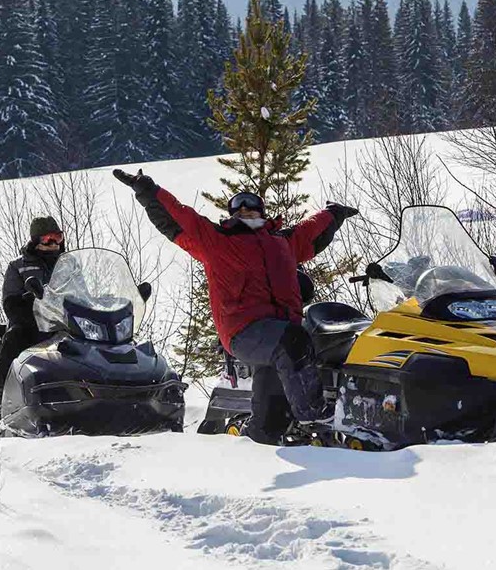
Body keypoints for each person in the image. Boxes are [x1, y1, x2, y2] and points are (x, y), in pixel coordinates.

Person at [113, 169, 358, 444]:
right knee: (294, 339)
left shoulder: (283, 242)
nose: (245, 209)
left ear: (261, 211)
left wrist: (334, 213)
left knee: (271, 423)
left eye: (251, 204)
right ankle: (315, 414)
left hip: (278, 332)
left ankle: (254, 443)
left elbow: (313, 231)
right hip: (245, 330)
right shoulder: (217, 241)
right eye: (237, 206)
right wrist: (149, 191)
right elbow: (178, 217)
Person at [0, 216, 65, 399]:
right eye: (48, 239)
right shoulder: (18, 266)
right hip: (33, 323)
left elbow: (82, 292)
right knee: (15, 336)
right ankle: (0, 394)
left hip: (65, 322)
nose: (54, 244)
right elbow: (10, 301)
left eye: (58, 238)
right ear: (35, 242)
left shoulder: (69, 263)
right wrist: (29, 309)